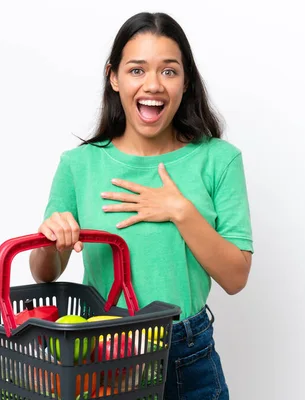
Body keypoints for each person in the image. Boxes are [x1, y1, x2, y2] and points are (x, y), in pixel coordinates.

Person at [29, 11, 253, 400]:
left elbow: (236, 278)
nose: (153, 85)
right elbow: (43, 274)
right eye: (137, 70)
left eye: (169, 71)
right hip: (101, 356)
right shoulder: (79, 165)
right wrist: (55, 241)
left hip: (187, 354)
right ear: (113, 77)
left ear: (186, 82)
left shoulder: (220, 159)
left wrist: (181, 211)